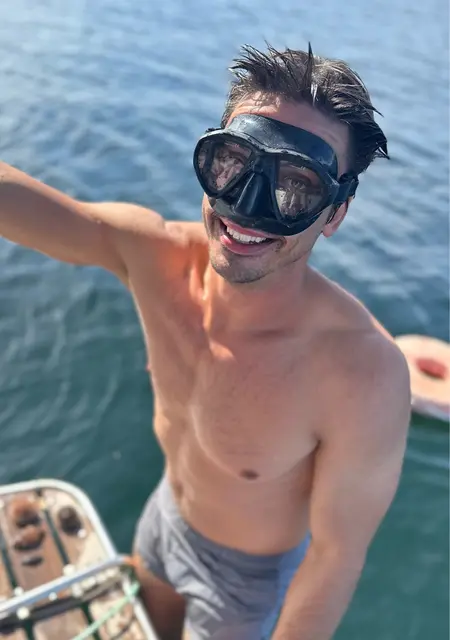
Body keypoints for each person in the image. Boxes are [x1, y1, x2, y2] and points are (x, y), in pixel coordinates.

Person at [0, 44, 411, 640]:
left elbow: (335, 558)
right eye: (234, 163)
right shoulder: (153, 257)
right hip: (165, 516)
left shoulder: (361, 372)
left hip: (242, 583)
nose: (247, 209)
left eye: (296, 186)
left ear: (334, 214)